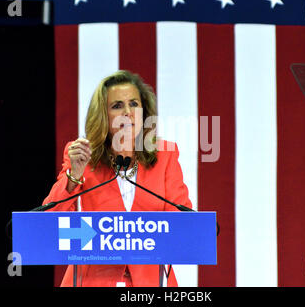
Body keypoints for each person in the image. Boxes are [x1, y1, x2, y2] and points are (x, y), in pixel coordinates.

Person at [42, 70, 193, 287]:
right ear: (103, 115)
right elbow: (49, 222)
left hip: (150, 284)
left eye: (134, 104)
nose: (128, 113)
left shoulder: (164, 155)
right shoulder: (82, 156)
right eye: (117, 106)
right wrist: (74, 175)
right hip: (91, 282)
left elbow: (183, 224)